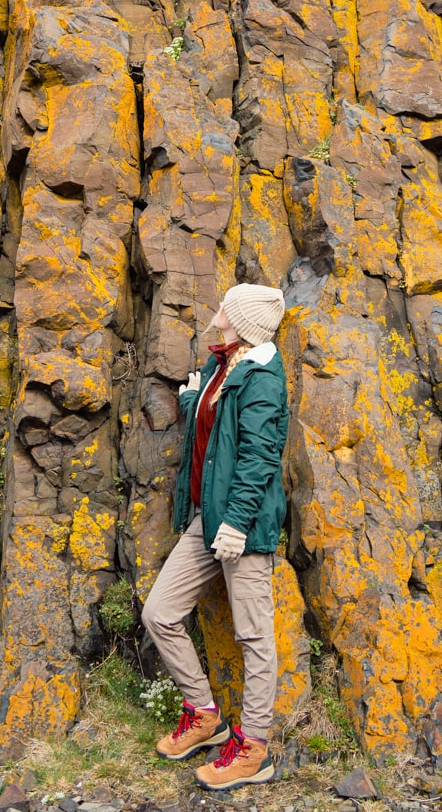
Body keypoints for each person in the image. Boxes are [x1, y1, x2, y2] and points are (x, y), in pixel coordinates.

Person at [141, 283, 289, 791]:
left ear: (243, 320)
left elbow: (259, 456)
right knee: (160, 613)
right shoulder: (220, 366)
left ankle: (254, 749)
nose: (218, 309)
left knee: (254, 636)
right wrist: (191, 403)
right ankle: (205, 716)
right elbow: (217, 432)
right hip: (208, 516)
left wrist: (238, 523)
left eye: (227, 304)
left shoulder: (263, 378)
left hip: (241, 526)